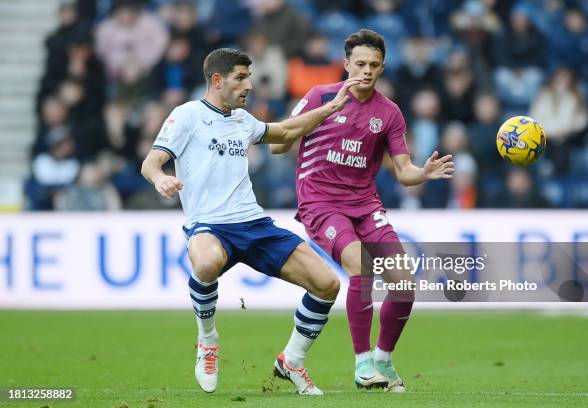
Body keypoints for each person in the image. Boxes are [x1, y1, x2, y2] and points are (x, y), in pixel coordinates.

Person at [141, 48, 360, 395]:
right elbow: (151, 162)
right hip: (209, 224)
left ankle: (292, 361)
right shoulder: (187, 115)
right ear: (217, 80)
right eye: (241, 77)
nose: (249, 84)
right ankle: (208, 340)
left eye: (249, 76)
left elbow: (285, 132)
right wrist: (160, 179)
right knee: (207, 262)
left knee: (327, 284)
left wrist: (330, 108)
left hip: (254, 223)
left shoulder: (243, 119)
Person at [271, 29, 454, 392]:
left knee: (404, 286)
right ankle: (362, 364)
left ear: (382, 67)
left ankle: (384, 361)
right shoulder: (319, 96)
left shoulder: (389, 113)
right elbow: (278, 145)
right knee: (362, 268)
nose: (366, 71)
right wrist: (323, 113)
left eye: (373, 65)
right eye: (359, 64)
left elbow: (404, 173)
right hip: (321, 204)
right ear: (345, 64)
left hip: (365, 206)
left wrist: (425, 173)